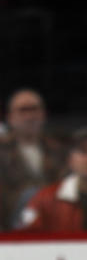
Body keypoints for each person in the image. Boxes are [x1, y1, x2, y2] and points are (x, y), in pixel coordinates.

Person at [0, 89, 67, 229]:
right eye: (23, 110)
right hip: (10, 226)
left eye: (34, 109)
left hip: (55, 224)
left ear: (43, 114)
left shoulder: (59, 150)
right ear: (10, 117)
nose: (30, 116)